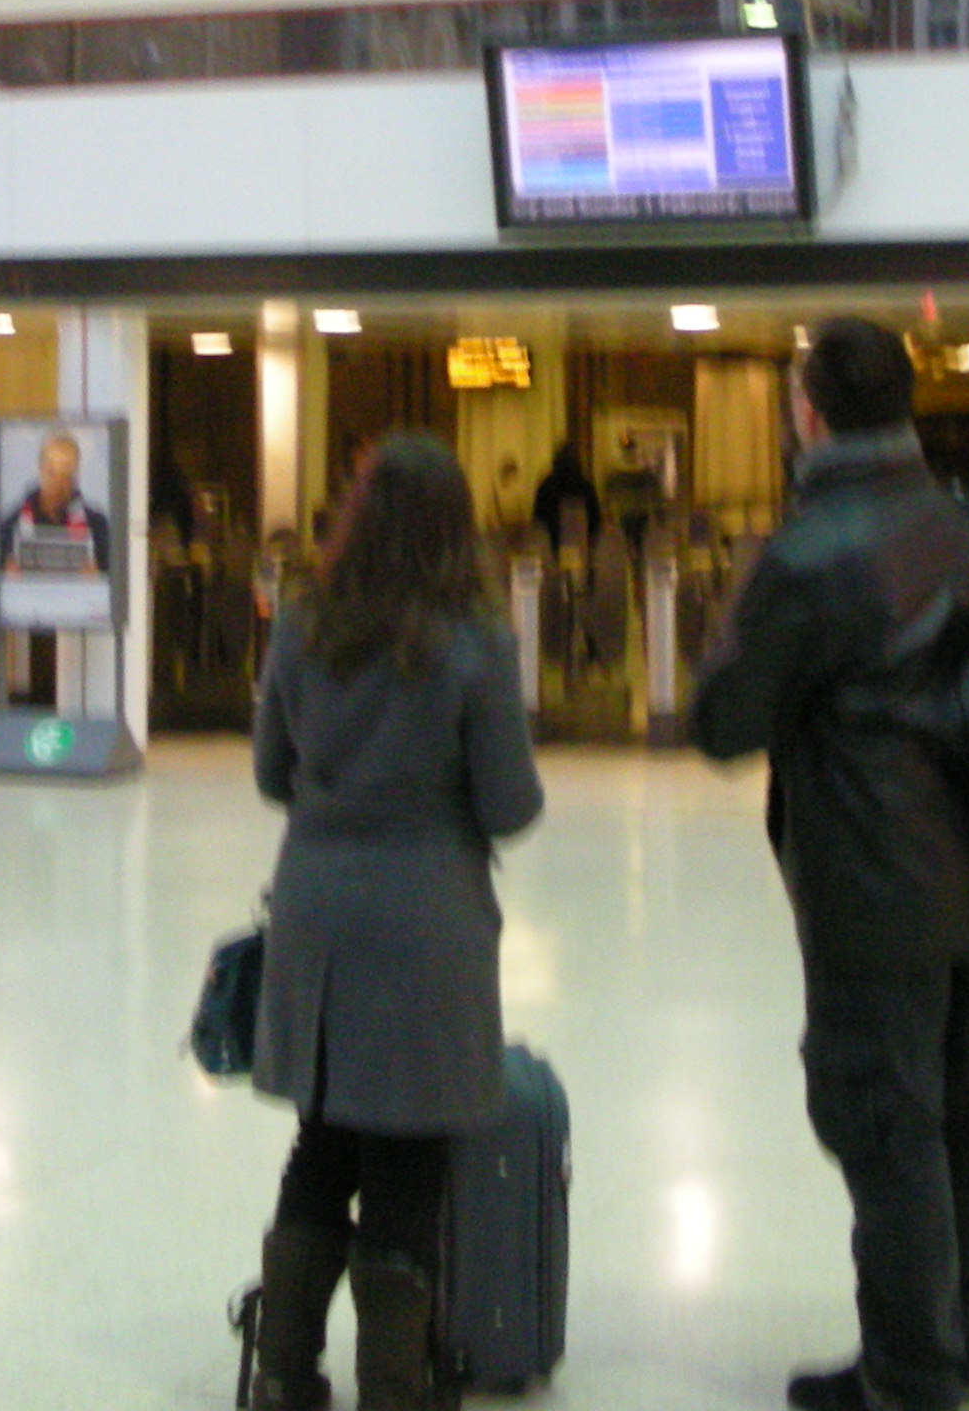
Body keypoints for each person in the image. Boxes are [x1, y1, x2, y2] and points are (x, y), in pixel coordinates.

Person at [690, 318, 969, 1411]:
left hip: (873, 881)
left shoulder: (808, 554)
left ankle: (911, 1373)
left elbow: (724, 721)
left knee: (887, 1122)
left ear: (809, 413)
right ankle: (964, 1332)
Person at [245, 433, 543, 1411]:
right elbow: (510, 805)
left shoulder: (303, 623)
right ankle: (395, 1387)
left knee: (322, 1144)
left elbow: (271, 773)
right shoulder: (475, 640)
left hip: (317, 918)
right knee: (410, 1162)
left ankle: (284, 1374)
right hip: (427, 928)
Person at [0, 430, 112, 578]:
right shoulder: (10, 524)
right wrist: (6, 578)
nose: (58, 483)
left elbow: (115, 578)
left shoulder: (98, 525)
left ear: (76, 473)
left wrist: (100, 578)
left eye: (66, 474)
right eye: (51, 473)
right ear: (40, 469)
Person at [530, 442, 602, 552]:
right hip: (581, 547)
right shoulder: (585, 488)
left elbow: (538, 522)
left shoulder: (547, 487)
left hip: (552, 547)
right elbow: (596, 523)